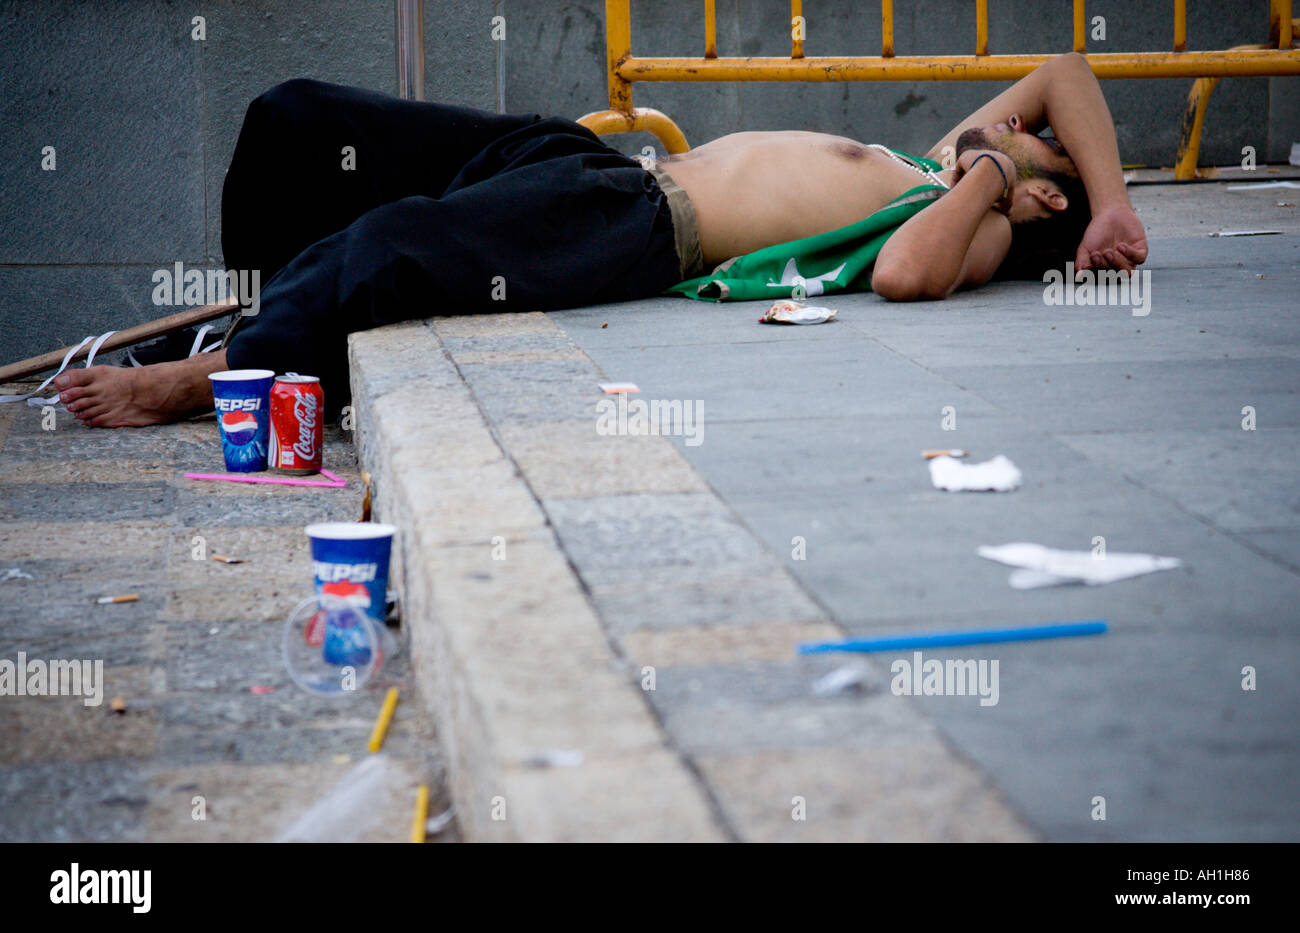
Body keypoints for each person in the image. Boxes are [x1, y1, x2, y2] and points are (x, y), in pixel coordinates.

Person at [53, 52, 1146, 428]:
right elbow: (1067, 69)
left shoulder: (977, 220)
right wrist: (1109, 205)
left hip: (630, 228)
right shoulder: (950, 165)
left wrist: (1010, 177)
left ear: (1034, 200)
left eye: (1031, 142)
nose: (1016, 120)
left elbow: (909, 279)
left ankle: (218, 381)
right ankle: (271, 332)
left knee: (396, 242)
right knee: (298, 121)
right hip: (589, 167)